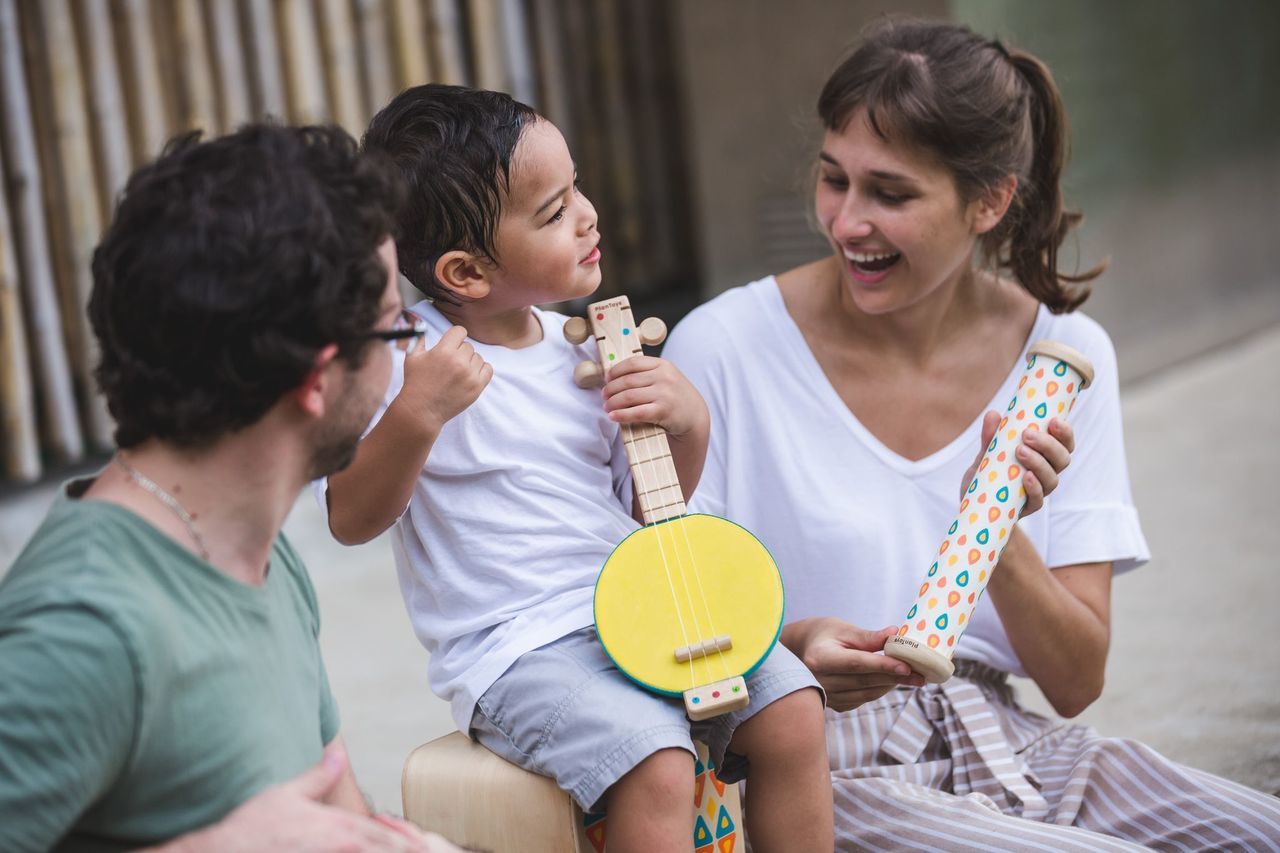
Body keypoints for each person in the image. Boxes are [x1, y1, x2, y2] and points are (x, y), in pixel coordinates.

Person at [663, 17, 1280, 851]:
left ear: (989, 201)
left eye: (891, 193)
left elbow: (1074, 682)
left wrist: (999, 526)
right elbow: (664, 629)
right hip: (814, 768)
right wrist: (796, 648)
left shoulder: (1061, 363)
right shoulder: (725, 348)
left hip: (1006, 740)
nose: (847, 222)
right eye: (833, 178)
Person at [317, 84, 833, 851]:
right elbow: (349, 517)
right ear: (464, 273)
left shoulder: (586, 349)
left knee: (793, 707)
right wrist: (418, 413)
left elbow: (647, 509)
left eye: (576, 187)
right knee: (656, 759)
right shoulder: (408, 360)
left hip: (641, 608)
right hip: (518, 650)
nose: (588, 214)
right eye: (554, 211)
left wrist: (686, 419)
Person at [0, 124, 460, 852]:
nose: (414, 344)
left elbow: (332, 811)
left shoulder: (257, 552)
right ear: (317, 377)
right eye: (395, 328)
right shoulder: (86, 626)